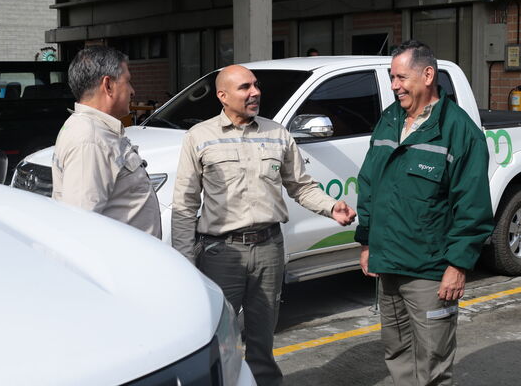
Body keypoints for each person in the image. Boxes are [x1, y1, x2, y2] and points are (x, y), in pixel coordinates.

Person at [172, 64, 356, 385]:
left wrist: (331, 207)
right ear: (223, 96)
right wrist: (184, 260)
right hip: (221, 254)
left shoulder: (277, 134)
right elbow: (185, 204)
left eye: (256, 85)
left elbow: (301, 186)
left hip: (269, 250)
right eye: (245, 87)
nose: (255, 92)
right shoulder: (200, 137)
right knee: (219, 338)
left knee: (262, 340)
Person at [355, 40, 493, 385]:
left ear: (428, 75)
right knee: (398, 354)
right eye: (391, 77)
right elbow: (370, 182)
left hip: (430, 272)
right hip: (388, 265)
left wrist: (458, 266)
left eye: (400, 77)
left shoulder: (459, 131)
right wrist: (367, 242)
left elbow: (472, 206)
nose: (393, 86)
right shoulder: (390, 120)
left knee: (432, 364)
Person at [52, 46, 162, 239]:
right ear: (108, 85)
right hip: (120, 265)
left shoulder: (94, 130)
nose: (133, 91)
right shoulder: (90, 139)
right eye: (128, 82)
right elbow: (80, 227)